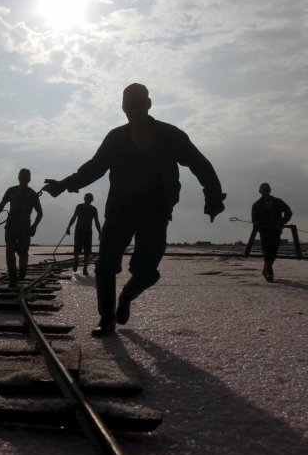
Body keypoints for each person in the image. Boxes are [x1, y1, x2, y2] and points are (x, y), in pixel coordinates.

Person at [43, 83, 225, 336]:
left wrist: (213, 196)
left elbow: (199, 163)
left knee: (146, 272)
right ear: (123, 108)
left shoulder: (171, 135)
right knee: (105, 265)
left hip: (156, 211)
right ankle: (107, 319)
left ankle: (126, 298)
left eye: (139, 103)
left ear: (148, 104)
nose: (134, 109)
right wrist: (64, 185)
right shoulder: (116, 138)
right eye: (129, 105)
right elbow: (95, 167)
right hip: (120, 210)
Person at [0, 169, 43, 288]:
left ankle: (22, 271)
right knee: (10, 251)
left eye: (25, 177)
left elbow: (40, 213)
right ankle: (13, 276)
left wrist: (34, 227)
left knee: (23, 252)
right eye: (21, 176)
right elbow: (1, 205)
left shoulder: (33, 194)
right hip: (11, 226)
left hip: (25, 228)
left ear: (29, 179)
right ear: (18, 177)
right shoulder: (11, 191)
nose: (23, 179)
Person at [251, 183, 292, 282]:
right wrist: (258, 224)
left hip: (276, 231)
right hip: (264, 232)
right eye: (263, 191)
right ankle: (269, 273)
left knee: (274, 253)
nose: (265, 193)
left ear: (269, 191)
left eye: (266, 191)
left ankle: (266, 269)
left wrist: (282, 221)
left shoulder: (278, 202)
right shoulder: (256, 205)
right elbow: (254, 219)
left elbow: (288, 212)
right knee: (266, 252)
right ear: (260, 192)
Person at [65, 193, 102, 275]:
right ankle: (76, 262)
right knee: (77, 250)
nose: (87, 200)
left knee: (87, 252)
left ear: (91, 200)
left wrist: (100, 232)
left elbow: (96, 221)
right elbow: (74, 217)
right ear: (85, 199)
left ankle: (85, 268)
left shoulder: (93, 209)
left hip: (88, 232)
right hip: (79, 231)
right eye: (86, 198)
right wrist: (68, 227)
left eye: (88, 199)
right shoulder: (79, 207)